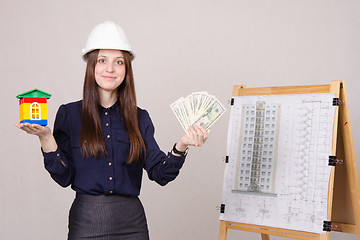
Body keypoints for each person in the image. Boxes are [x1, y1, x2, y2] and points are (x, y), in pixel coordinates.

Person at [15, 21, 208, 240]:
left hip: (132, 224)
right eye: (102, 61)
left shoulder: (140, 117)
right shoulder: (69, 114)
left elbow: (160, 174)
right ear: (91, 66)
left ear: (126, 69)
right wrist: (46, 138)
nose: (110, 69)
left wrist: (181, 145)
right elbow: (64, 176)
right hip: (86, 221)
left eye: (118, 62)